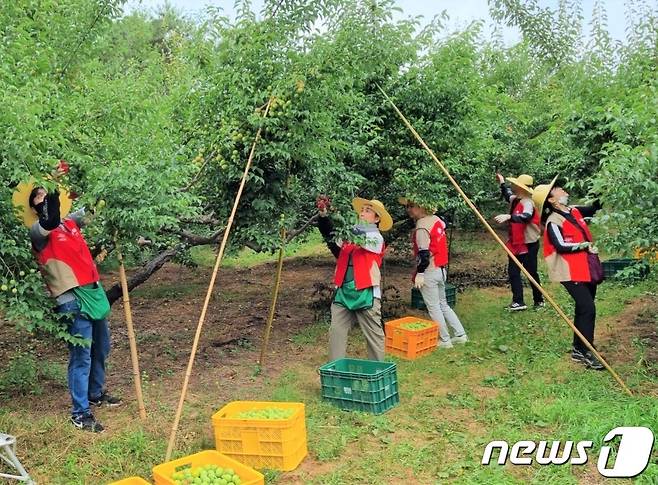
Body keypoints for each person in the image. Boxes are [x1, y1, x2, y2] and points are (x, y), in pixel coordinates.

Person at [17, 178, 121, 432]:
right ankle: (80, 413)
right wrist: (51, 187)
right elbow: (50, 219)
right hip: (71, 299)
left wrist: (114, 191)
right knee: (81, 356)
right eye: (38, 197)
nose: (43, 199)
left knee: (101, 347)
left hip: (92, 293)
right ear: (33, 207)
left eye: (46, 195)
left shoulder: (69, 222)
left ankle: (95, 393)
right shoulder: (38, 231)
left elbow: (92, 211)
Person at [532, 176, 604, 370]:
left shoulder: (574, 210)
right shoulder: (553, 221)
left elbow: (595, 206)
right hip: (569, 271)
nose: (563, 190)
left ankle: (578, 348)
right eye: (558, 189)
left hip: (586, 267)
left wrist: (605, 185)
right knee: (588, 308)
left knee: (583, 308)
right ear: (551, 200)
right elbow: (561, 246)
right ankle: (588, 352)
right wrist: (584, 245)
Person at [316, 196, 392, 361]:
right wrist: (324, 215)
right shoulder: (349, 236)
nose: (362, 213)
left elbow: (359, 239)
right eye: (362, 210)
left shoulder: (376, 238)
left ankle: (376, 372)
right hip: (343, 290)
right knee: (336, 332)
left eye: (367, 210)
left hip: (366, 292)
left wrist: (342, 219)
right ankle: (335, 372)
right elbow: (332, 237)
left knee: (373, 335)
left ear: (377, 218)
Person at [400, 197, 468, 349]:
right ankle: (460, 334)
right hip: (440, 268)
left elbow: (424, 254)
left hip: (430, 270)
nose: (409, 209)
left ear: (422, 207)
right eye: (408, 206)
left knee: (433, 307)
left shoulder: (422, 226)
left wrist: (420, 273)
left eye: (412, 206)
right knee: (443, 304)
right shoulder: (436, 220)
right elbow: (443, 225)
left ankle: (445, 340)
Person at [494, 173, 544, 311]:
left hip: (529, 243)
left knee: (531, 272)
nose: (513, 186)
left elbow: (526, 217)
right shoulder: (516, 199)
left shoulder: (527, 202)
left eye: (515, 184)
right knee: (513, 272)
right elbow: (507, 194)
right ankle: (518, 301)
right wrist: (502, 183)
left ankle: (539, 300)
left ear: (521, 187)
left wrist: (509, 216)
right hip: (516, 242)